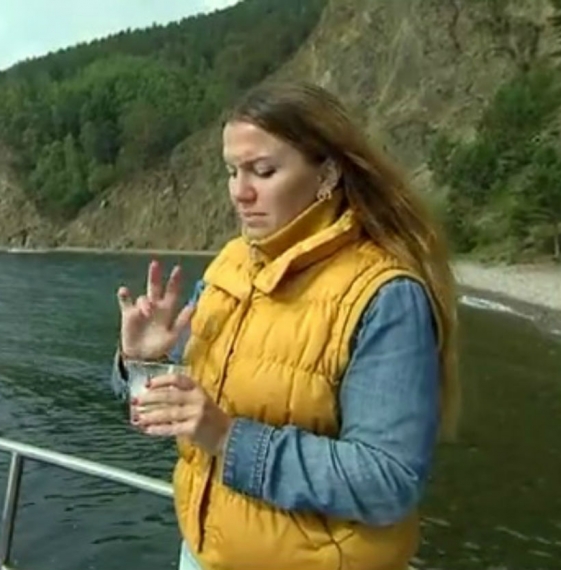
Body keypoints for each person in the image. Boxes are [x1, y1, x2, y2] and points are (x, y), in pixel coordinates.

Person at [109, 80, 460, 570]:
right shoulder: (231, 263)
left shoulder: (386, 295)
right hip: (202, 554)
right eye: (232, 172)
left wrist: (226, 437)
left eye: (264, 171)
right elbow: (173, 411)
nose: (240, 192)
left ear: (327, 173)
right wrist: (145, 363)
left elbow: (388, 482)